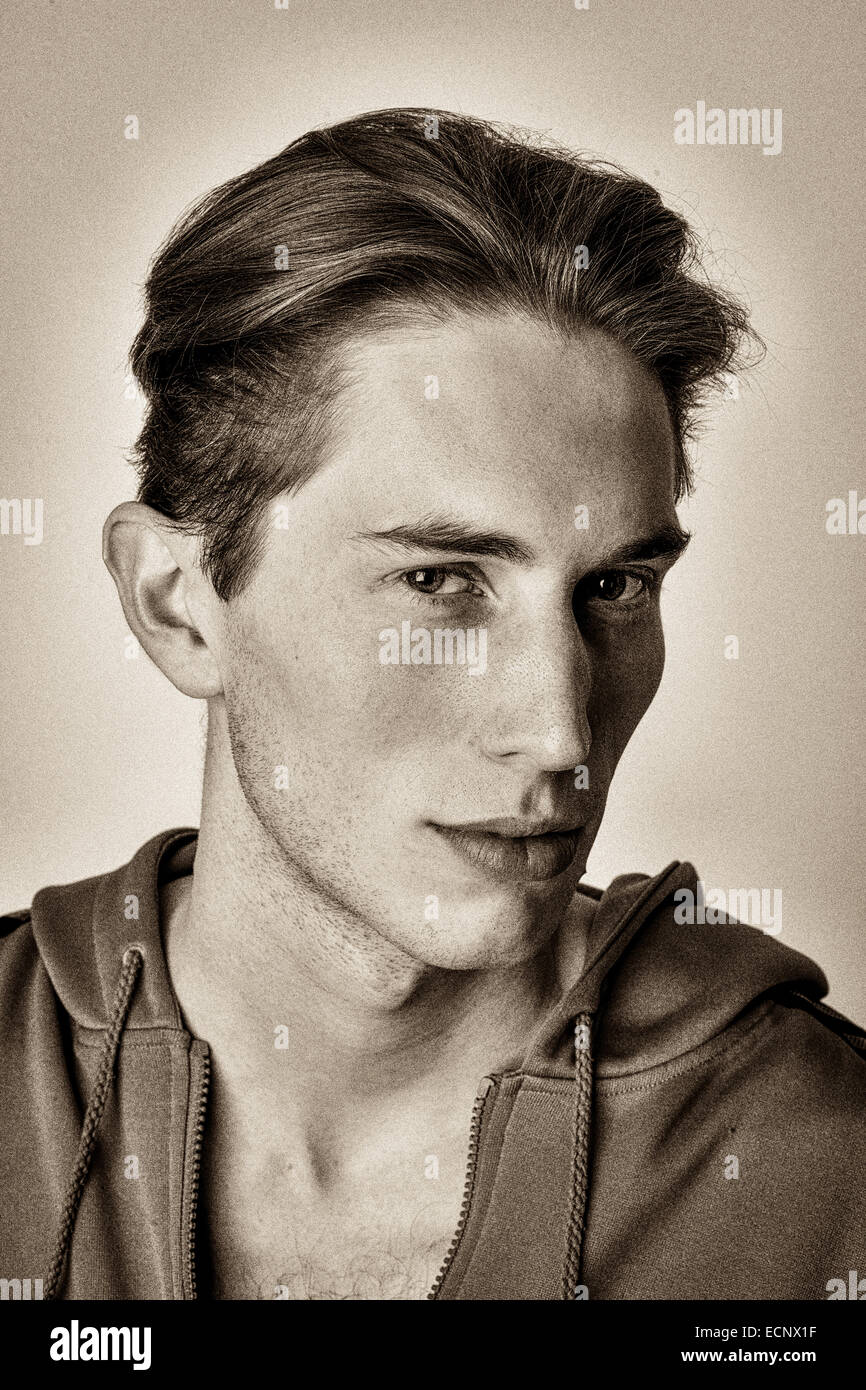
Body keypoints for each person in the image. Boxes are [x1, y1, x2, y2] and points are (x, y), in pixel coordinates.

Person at [2, 108, 863, 1302]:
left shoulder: (823, 1171)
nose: (559, 733)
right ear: (179, 604)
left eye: (612, 586)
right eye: (442, 582)